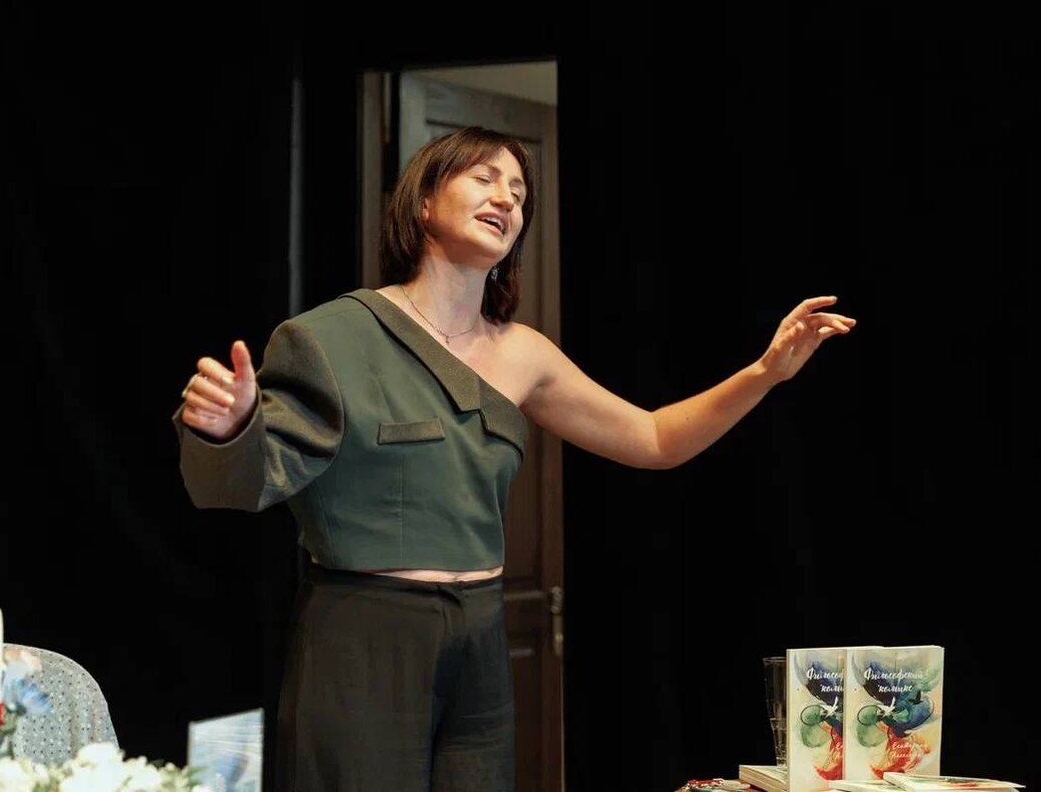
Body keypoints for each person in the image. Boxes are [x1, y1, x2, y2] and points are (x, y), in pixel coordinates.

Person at [172, 126, 855, 791]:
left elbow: (654, 439)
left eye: (520, 194)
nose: (506, 198)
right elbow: (248, 480)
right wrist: (233, 427)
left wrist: (764, 373)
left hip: (480, 634)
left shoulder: (522, 351)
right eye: (484, 178)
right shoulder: (330, 336)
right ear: (423, 203)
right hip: (367, 633)